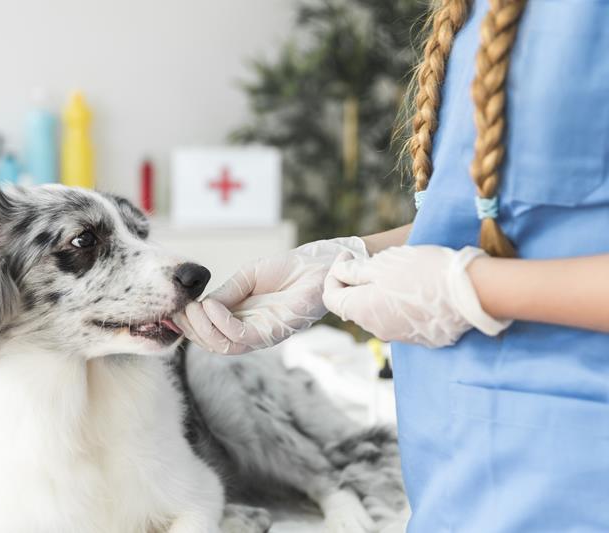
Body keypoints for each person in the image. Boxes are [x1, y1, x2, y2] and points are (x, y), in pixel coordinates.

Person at [174, 0, 609, 530]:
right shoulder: (476, 15)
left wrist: (472, 289)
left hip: (578, 472)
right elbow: (509, 217)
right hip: (459, 473)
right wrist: (353, 255)